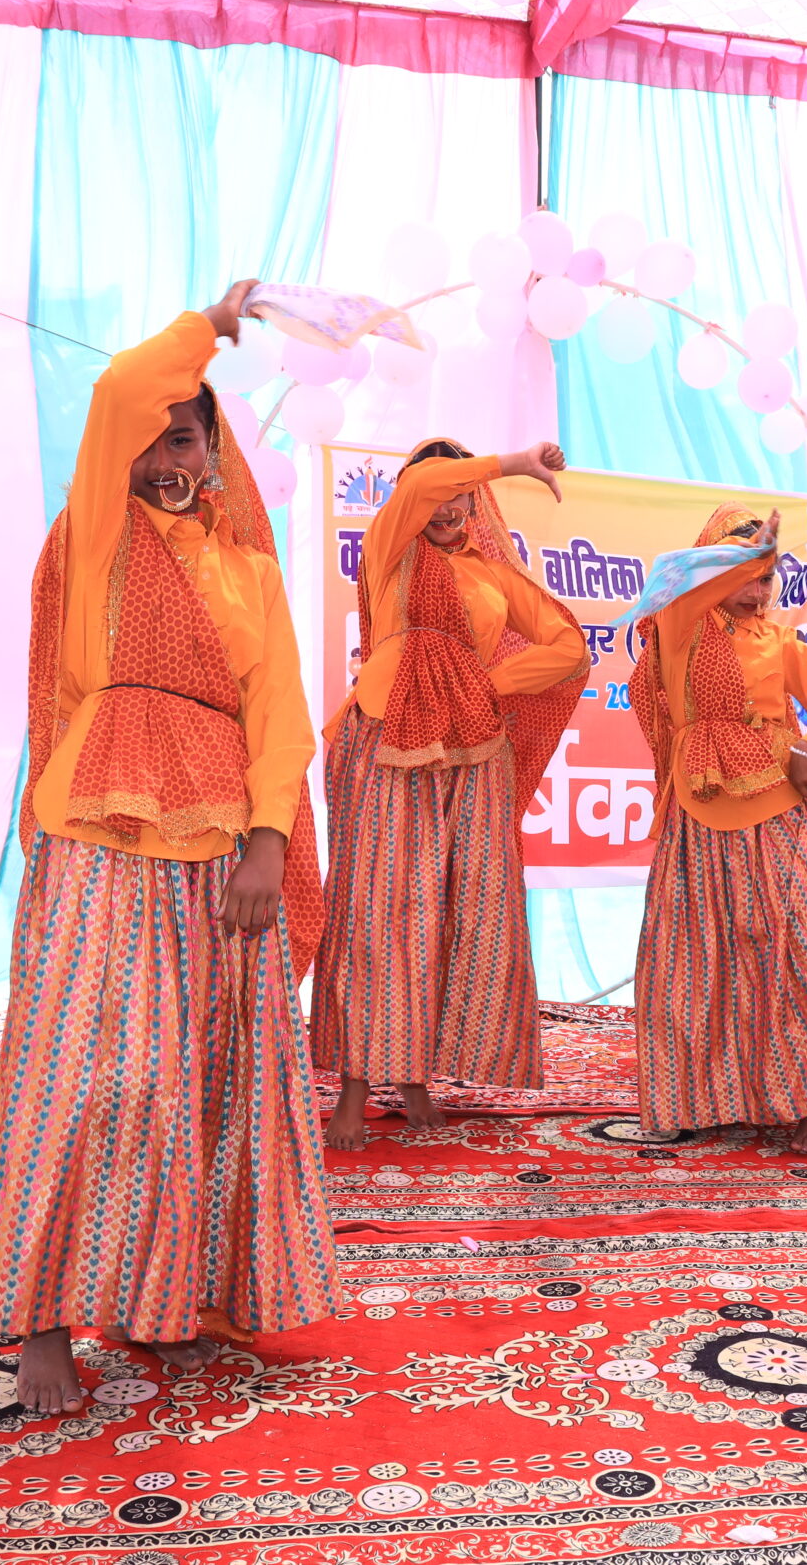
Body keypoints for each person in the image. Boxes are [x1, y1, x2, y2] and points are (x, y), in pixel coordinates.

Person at [0, 283, 332, 1413]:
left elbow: (280, 718)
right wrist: (207, 331)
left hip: (221, 849)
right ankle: (41, 1318)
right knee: (89, 1070)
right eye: (157, 435)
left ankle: (164, 1299)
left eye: (190, 436)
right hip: (100, 834)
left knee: (200, 1080)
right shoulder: (98, 538)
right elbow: (126, 385)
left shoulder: (249, 571)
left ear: (216, 454)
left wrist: (267, 842)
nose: (170, 451)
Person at [313, 437, 585, 1150]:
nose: (447, 504)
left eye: (459, 493)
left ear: (474, 500)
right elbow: (418, 489)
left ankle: (415, 1078)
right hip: (388, 735)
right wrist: (513, 462)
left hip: (474, 749)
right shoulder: (390, 548)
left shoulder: (492, 573)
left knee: (454, 910)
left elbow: (568, 647)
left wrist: (486, 682)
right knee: (378, 909)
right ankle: (353, 1088)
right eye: (435, 490)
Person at [623, 506, 807, 1155]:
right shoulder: (680, 627)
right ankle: (709, 1097)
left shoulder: (779, 642)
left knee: (802, 948)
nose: (757, 589)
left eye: (766, 576)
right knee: (698, 959)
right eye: (743, 572)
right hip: (700, 816)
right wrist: (738, 554)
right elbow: (677, 575)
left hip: (779, 811)